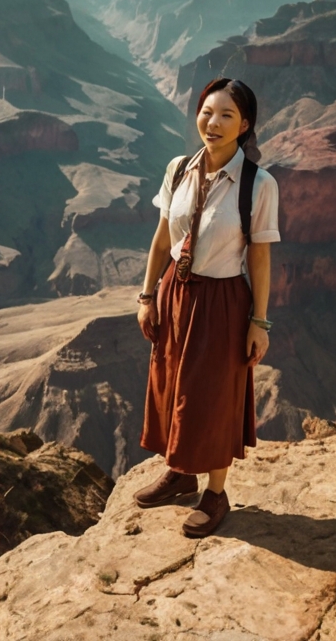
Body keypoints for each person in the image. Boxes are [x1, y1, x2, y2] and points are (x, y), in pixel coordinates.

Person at [132, 77, 280, 538]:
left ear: (245, 125)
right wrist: (146, 294)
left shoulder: (258, 184)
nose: (212, 123)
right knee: (172, 381)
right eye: (207, 111)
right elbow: (162, 239)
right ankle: (181, 471)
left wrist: (259, 321)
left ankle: (215, 493)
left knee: (213, 394)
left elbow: (259, 255)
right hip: (175, 293)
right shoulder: (178, 168)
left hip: (221, 301)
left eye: (226, 116)